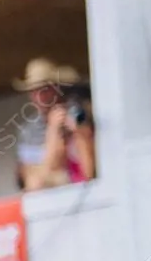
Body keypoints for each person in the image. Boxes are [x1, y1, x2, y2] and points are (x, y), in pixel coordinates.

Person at [13, 57, 96, 190]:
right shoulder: (28, 131)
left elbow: (90, 173)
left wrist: (80, 133)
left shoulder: (78, 113)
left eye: (44, 90)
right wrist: (53, 130)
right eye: (34, 92)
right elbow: (36, 181)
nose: (39, 97)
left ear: (56, 89)